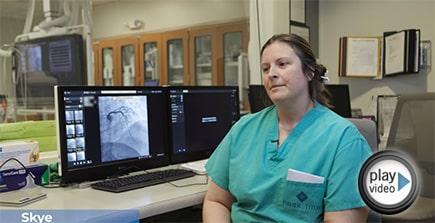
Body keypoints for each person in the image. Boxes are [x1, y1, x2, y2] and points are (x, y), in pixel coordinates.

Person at [203, 33, 372, 222]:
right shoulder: (243, 129)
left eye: (282, 64)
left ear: (309, 72)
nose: (271, 74)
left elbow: (341, 219)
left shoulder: (344, 140)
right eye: (265, 68)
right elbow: (216, 200)